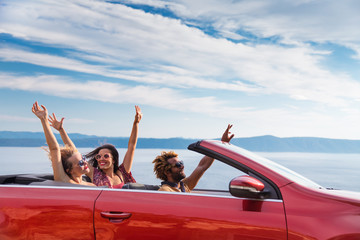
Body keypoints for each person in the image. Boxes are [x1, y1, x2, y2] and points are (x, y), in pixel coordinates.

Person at [49, 106, 142, 188]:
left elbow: (131, 146)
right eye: (98, 156)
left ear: (113, 160)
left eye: (106, 156)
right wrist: (61, 130)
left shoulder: (122, 173)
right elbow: (75, 151)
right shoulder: (95, 174)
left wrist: (136, 123)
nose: (101, 159)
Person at [152, 124, 234, 192]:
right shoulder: (165, 191)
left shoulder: (183, 186)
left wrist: (222, 144)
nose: (182, 166)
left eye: (181, 163)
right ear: (167, 172)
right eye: (177, 165)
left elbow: (202, 166)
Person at [32, 101, 95, 186]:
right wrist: (44, 120)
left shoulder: (91, 185)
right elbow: (54, 148)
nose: (85, 162)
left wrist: (61, 130)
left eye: (83, 159)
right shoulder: (64, 181)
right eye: (80, 163)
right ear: (69, 170)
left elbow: (74, 150)